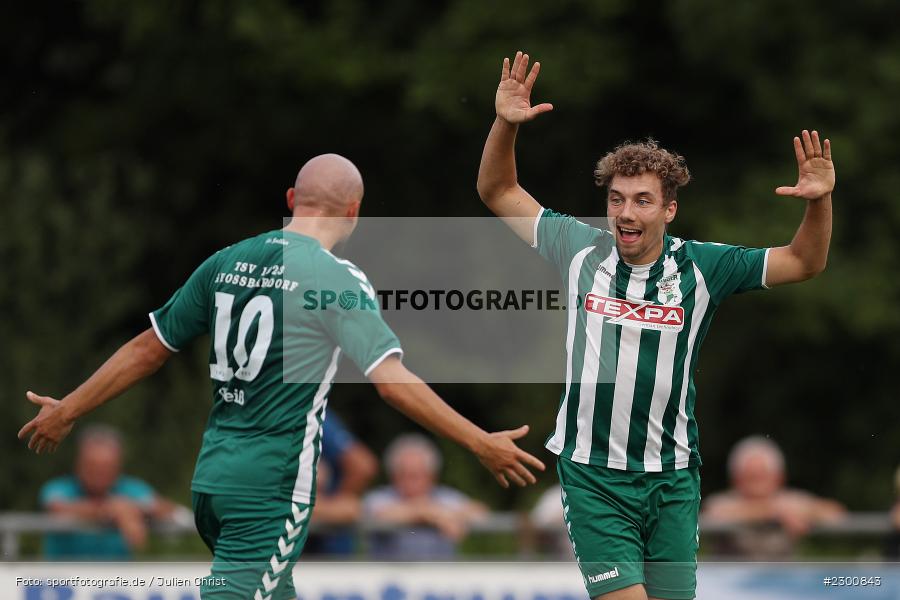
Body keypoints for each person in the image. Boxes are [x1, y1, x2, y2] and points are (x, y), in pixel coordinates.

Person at [19, 153, 545, 600]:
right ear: (355, 211)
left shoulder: (226, 261)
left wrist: (68, 409)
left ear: (292, 198)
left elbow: (146, 349)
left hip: (213, 483)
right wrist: (479, 442)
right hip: (270, 488)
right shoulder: (335, 279)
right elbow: (389, 380)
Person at [476, 50, 834, 600]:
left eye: (643, 201)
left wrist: (819, 203)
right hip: (594, 476)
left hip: (672, 479)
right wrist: (505, 123)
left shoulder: (704, 266)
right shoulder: (578, 249)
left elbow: (804, 262)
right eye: (617, 199)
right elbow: (499, 191)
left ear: (669, 210)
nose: (626, 213)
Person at [40, 424, 181, 560]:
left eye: (107, 467)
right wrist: (110, 510)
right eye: (92, 465)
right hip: (64, 580)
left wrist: (133, 509)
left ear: (119, 466)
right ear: (78, 464)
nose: (99, 474)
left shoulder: (130, 487)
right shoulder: (58, 487)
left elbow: (167, 509)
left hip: (117, 582)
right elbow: (57, 506)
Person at [702, 436, 845, 559]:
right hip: (730, 585)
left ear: (779, 478)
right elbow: (712, 515)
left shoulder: (789, 500)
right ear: (736, 479)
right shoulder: (723, 502)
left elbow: (836, 514)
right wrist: (774, 513)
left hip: (781, 585)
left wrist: (808, 512)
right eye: (751, 476)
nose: (756, 484)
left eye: (762, 475)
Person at [363, 433, 488, 560]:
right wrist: (431, 514)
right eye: (404, 474)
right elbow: (379, 515)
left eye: (417, 475)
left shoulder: (444, 496)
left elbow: (479, 512)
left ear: (432, 476)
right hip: (389, 577)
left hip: (440, 577)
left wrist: (455, 516)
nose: (410, 482)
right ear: (393, 475)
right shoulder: (379, 497)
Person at [305, 411, 377, 555]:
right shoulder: (308, 411)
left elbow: (363, 465)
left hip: (327, 548)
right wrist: (332, 509)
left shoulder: (307, 411)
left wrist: (338, 505)